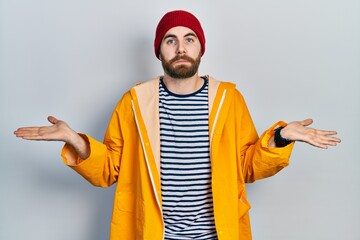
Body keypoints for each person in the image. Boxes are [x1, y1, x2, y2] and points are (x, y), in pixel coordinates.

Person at [14, 10, 341, 240]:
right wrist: (74, 140)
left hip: (218, 234)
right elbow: (110, 169)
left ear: (200, 48)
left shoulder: (228, 99)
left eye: (189, 39)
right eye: (170, 40)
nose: (181, 47)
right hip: (151, 234)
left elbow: (246, 167)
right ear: (159, 50)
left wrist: (280, 137)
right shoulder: (134, 102)